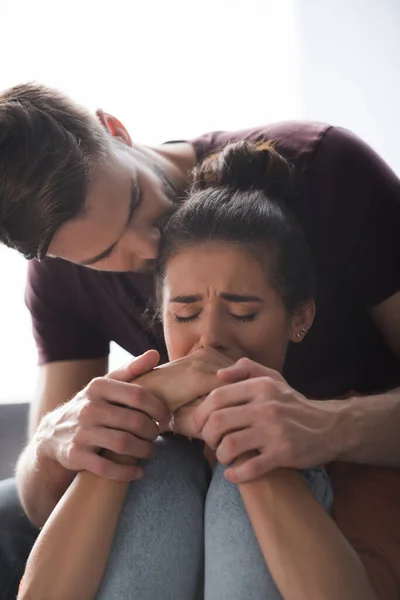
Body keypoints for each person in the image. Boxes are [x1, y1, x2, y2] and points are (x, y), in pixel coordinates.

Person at [0, 82, 399, 598]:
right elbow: (42, 495)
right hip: (179, 467)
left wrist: (321, 425)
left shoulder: (325, 170)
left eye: (135, 203)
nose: (147, 248)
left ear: (116, 131)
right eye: (103, 258)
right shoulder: (62, 276)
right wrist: (59, 438)